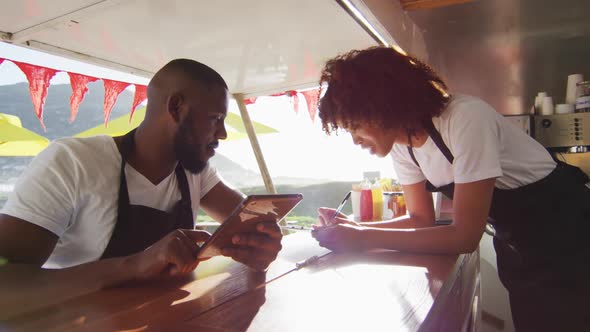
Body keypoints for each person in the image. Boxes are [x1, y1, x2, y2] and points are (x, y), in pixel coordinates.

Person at [311, 46, 590, 331]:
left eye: (356, 125)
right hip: (519, 245)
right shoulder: (403, 146)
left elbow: (465, 236)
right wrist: (355, 229)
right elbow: (421, 219)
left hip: (570, 235)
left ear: (385, 103)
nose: (356, 140)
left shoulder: (465, 118)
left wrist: (362, 238)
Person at [0, 59, 282, 315]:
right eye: (215, 119)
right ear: (176, 107)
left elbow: (251, 222)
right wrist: (133, 265)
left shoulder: (195, 173)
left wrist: (260, 246)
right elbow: (6, 285)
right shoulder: (73, 162)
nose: (221, 133)